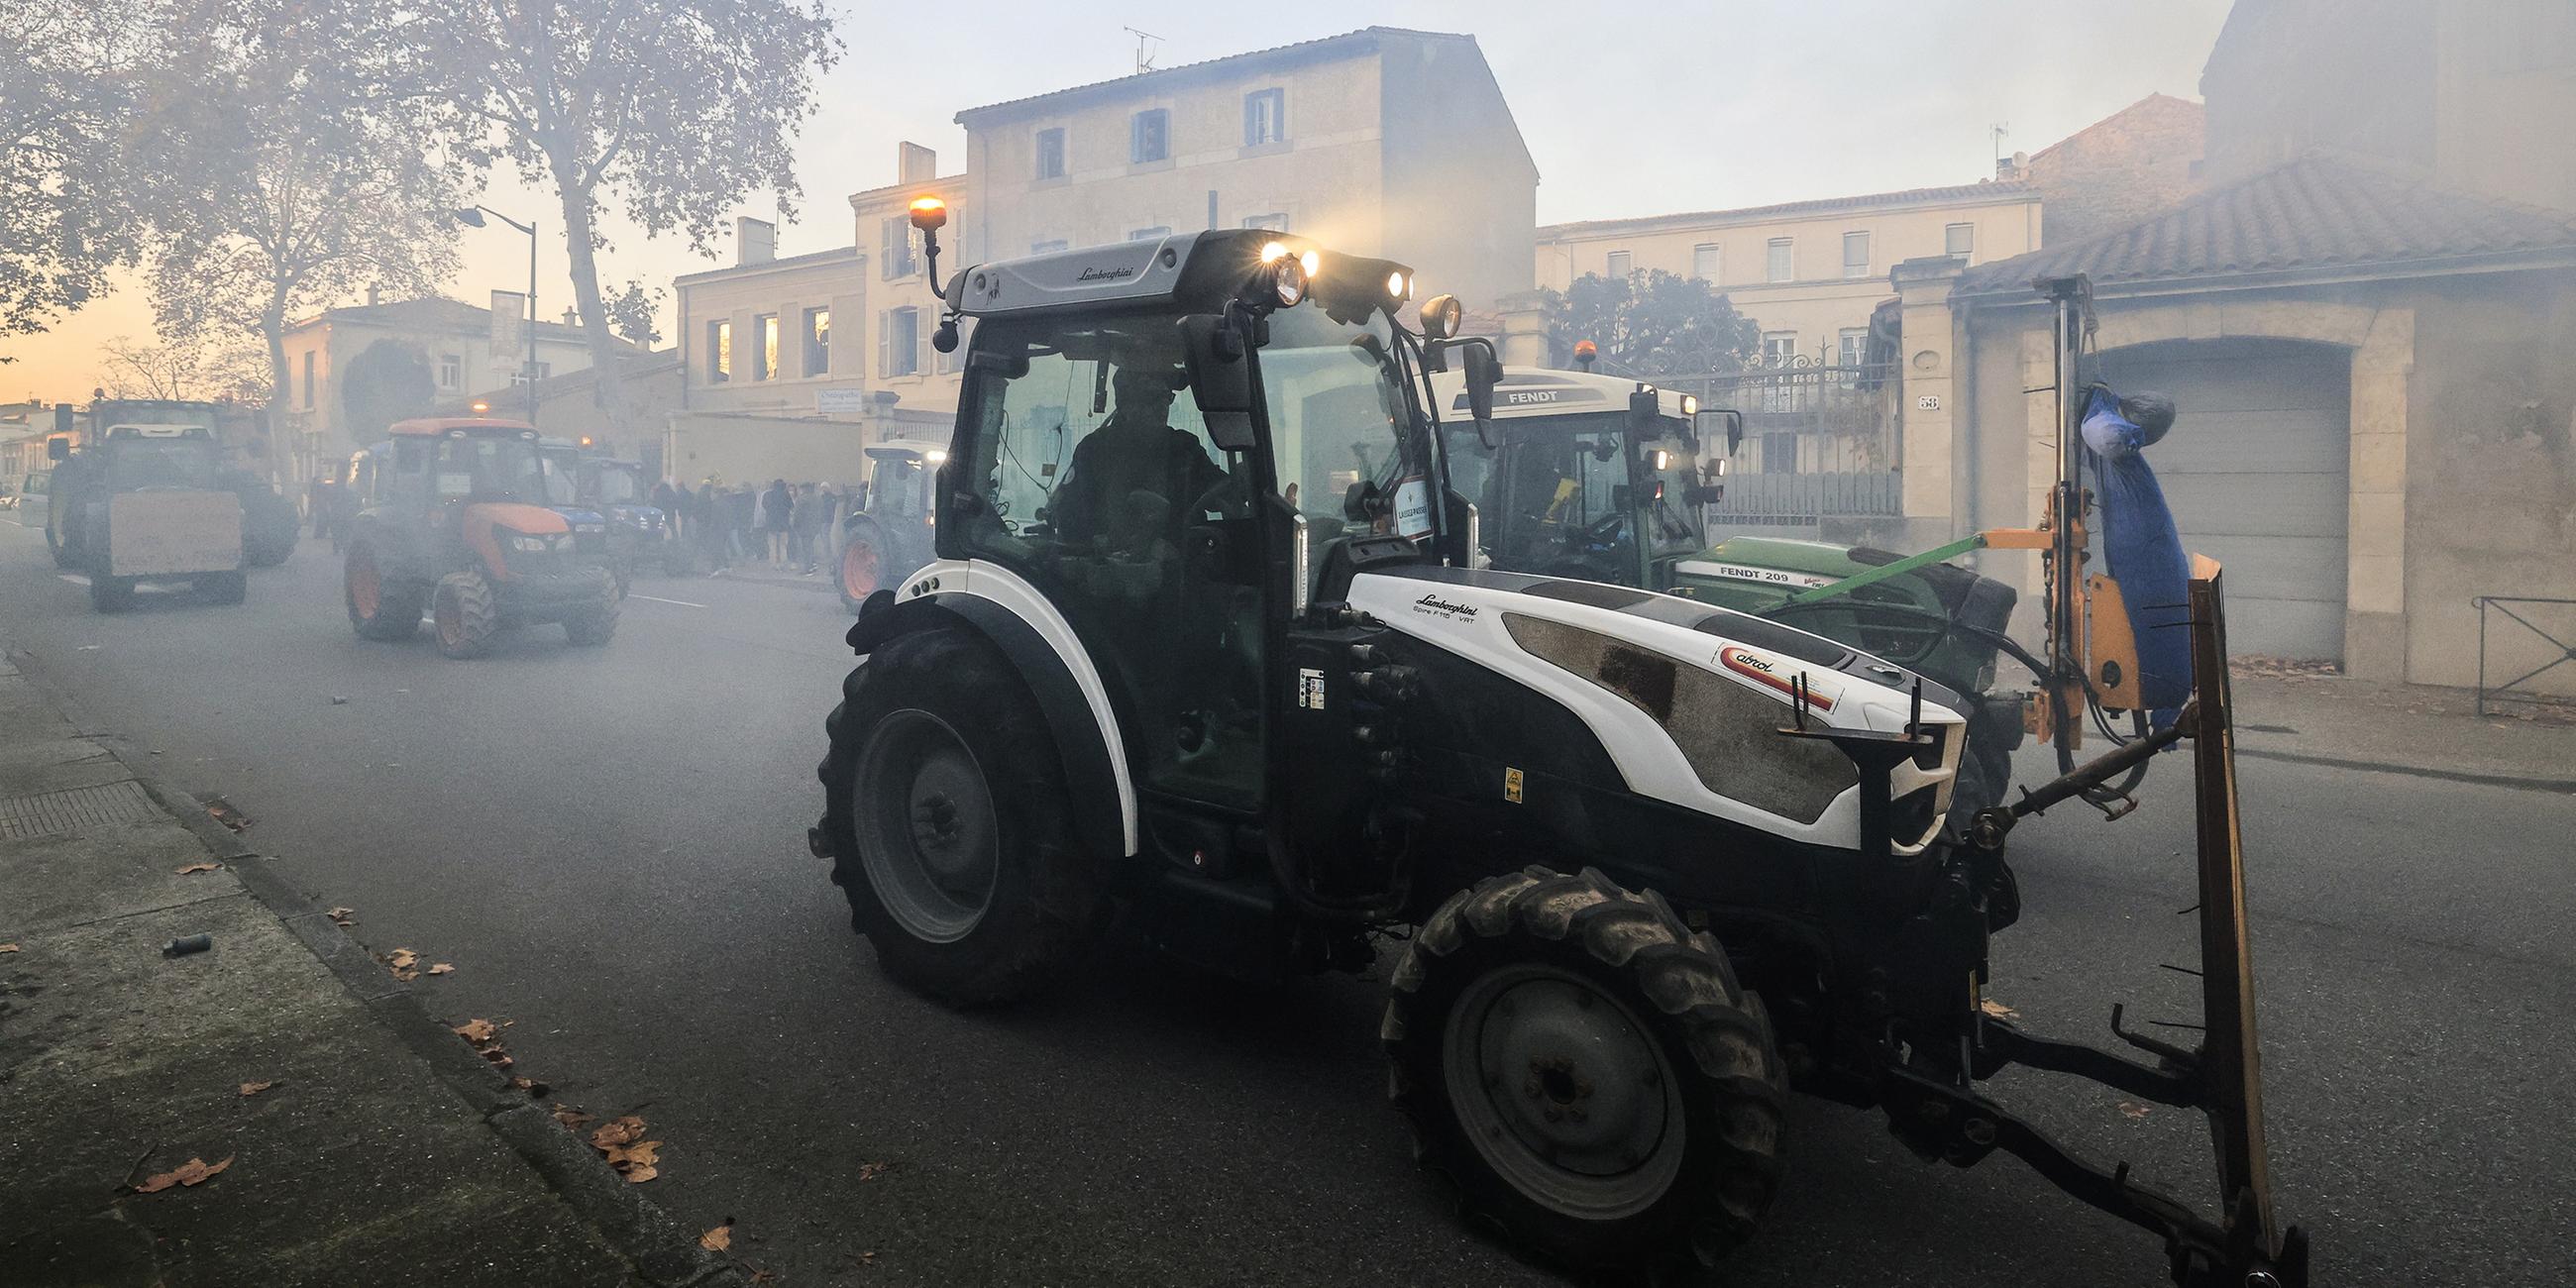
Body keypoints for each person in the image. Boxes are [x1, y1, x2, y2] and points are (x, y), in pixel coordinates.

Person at [1051, 366, 1226, 551]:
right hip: (1112, 570)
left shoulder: (1184, 447)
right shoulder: (1094, 450)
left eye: (1166, 398)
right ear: (1124, 404)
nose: (1161, 407)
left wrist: (1242, 481)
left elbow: (1219, 492)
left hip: (1182, 567)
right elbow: (1069, 517)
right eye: (1150, 398)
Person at [760, 479, 794, 568]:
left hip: (771, 523)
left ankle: (774, 562)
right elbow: (791, 506)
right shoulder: (786, 495)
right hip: (783, 524)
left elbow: (764, 506)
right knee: (783, 544)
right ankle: (783, 562)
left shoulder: (768, 495)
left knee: (772, 544)